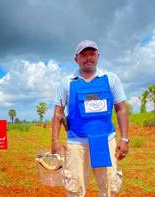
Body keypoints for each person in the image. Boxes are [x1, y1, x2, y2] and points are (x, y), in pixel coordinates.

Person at [51, 40, 129, 197]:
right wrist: (55, 141)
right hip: (76, 144)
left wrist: (125, 139)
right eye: (83, 55)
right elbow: (58, 113)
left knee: (109, 187)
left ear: (98, 56)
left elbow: (121, 109)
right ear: (76, 59)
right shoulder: (67, 83)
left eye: (92, 54)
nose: (88, 58)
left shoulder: (111, 79)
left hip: (106, 141)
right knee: (75, 188)